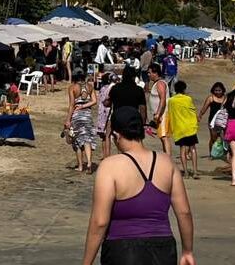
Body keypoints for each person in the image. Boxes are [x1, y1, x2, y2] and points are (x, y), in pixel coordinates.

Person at [82, 107, 195, 265]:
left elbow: (100, 222)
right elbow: (184, 212)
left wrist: (87, 262)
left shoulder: (109, 166)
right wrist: (187, 251)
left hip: (123, 250)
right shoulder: (166, 162)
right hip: (163, 249)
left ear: (116, 135)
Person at [65, 70, 98, 174]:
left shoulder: (72, 87)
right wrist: (84, 106)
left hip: (77, 116)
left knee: (77, 141)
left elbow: (71, 105)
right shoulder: (90, 87)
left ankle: (80, 166)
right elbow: (94, 101)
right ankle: (88, 162)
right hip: (87, 115)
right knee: (87, 139)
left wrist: (68, 119)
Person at [168, 81, 199, 179]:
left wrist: (171, 128)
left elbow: (170, 114)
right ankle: (195, 172)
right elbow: (192, 111)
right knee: (192, 148)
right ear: (184, 89)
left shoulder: (171, 100)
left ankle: (185, 172)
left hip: (179, 128)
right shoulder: (188, 99)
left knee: (182, 150)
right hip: (189, 127)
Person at [146, 64, 171, 155]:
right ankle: (166, 157)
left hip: (163, 114)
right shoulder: (157, 83)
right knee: (162, 137)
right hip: (159, 115)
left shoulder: (160, 83)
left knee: (164, 137)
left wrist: (158, 113)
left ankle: (168, 160)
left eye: (149, 73)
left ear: (155, 73)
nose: (148, 74)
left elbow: (163, 99)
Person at [198, 82, 226, 156]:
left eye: (219, 90)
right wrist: (200, 115)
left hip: (223, 120)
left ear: (223, 90)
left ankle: (222, 153)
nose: (217, 92)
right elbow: (204, 108)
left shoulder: (226, 98)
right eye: (216, 90)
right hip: (212, 121)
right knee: (213, 137)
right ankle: (211, 153)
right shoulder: (211, 98)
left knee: (223, 137)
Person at [96, 73, 116, 158]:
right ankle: (106, 155)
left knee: (104, 136)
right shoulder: (112, 88)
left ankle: (105, 154)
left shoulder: (103, 88)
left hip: (102, 113)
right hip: (108, 112)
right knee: (109, 134)